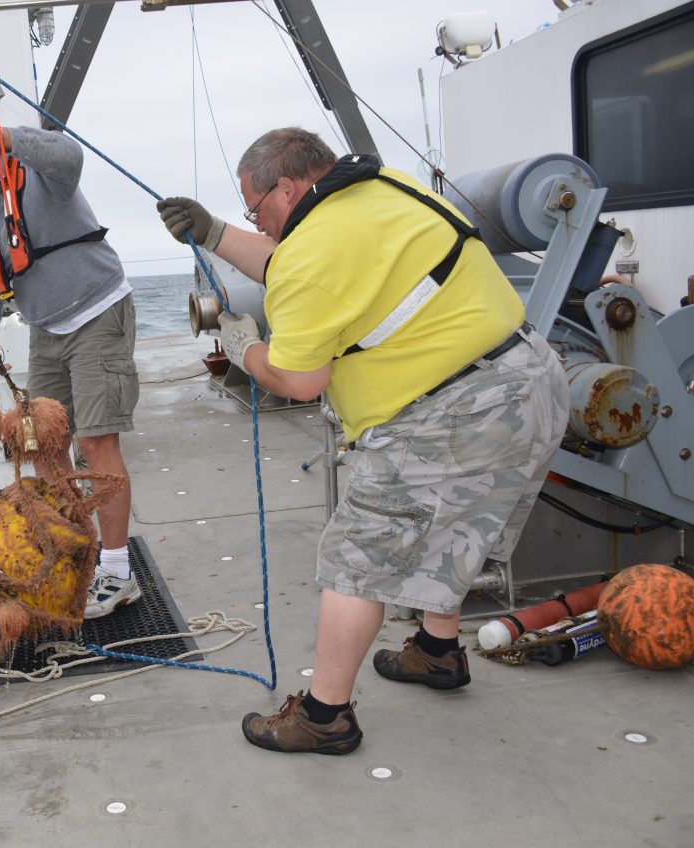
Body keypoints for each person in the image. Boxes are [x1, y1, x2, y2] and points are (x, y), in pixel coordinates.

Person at [157, 127, 569, 754]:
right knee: (455, 528)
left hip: (454, 413)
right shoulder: (385, 187)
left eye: (254, 208)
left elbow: (298, 380)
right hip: (530, 381)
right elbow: (295, 259)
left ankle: (324, 718)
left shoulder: (312, 251)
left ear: (286, 188)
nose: (256, 221)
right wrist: (213, 232)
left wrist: (245, 349)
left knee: (354, 562)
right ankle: (436, 652)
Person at [0, 115, 140, 619]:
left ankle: (118, 573)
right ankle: (78, 555)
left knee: (96, 443)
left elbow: (70, 155)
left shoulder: (43, 172)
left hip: (97, 312)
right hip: (46, 330)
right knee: (42, 445)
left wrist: (4, 135)